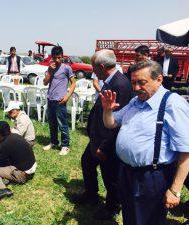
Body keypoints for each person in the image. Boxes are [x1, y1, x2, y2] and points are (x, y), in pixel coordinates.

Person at [101, 60, 189, 225]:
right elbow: (111, 123)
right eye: (133, 83)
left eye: (141, 83)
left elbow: (186, 150)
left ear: (159, 80)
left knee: (148, 220)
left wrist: (175, 190)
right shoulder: (136, 101)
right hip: (127, 173)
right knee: (130, 216)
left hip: (152, 178)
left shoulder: (173, 104)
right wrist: (107, 110)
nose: (135, 88)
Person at [75, 50, 133, 220]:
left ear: (101, 67)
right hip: (97, 138)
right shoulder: (109, 81)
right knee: (87, 162)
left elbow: (118, 121)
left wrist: (104, 146)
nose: (93, 71)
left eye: (94, 68)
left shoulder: (120, 85)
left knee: (110, 176)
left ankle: (112, 207)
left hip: (107, 141)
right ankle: (91, 195)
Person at [0, 121, 36, 203]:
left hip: (22, 175)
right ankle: (3, 180)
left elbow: (2, 165)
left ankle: (2, 189)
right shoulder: (16, 136)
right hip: (30, 169)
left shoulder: (5, 144)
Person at [42, 46, 76, 155]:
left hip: (60, 100)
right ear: (51, 57)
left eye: (59, 57)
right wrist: (50, 71)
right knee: (52, 124)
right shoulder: (50, 68)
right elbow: (45, 82)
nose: (57, 60)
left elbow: (73, 83)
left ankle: (65, 145)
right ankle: (54, 142)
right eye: (55, 57)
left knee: (62, 124)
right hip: (50, 99)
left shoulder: (67, 68)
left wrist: (67, 96)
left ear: (62, 57)